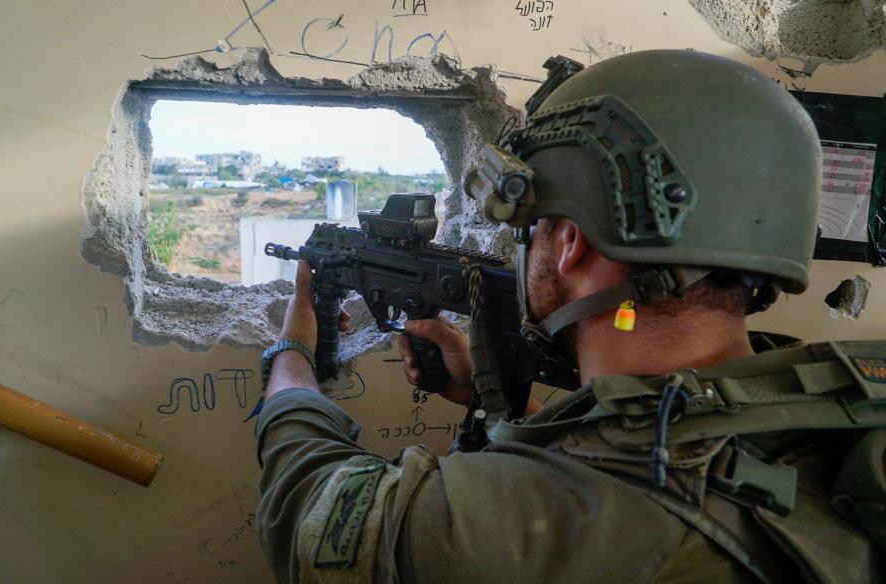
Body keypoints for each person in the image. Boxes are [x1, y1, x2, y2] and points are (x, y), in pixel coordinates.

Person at [256, 50, 886, 583]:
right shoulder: (839, 407)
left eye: (532, 228)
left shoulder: (504, 530)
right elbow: (640, 448)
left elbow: (305, 509)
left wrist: (293, 351)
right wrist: (493, 392)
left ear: (570, 244)